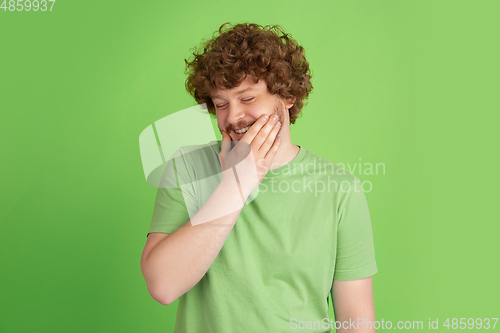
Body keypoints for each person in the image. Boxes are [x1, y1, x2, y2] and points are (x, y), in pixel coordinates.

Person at [140, 22, 378, 333]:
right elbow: (162, 285)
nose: (233, 116)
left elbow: (356, 323)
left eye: (247, 98)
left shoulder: (340, 190)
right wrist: (235, 186)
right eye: (221, 104)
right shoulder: (188, 169)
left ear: (287, 96)